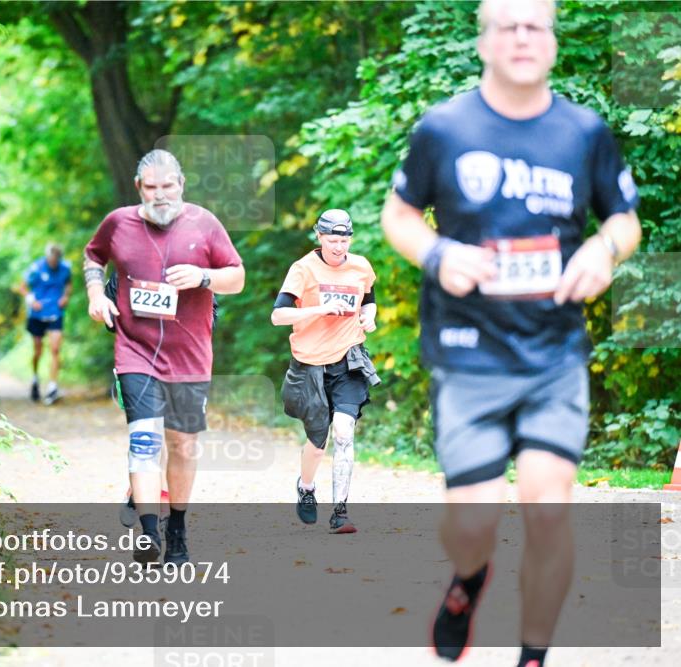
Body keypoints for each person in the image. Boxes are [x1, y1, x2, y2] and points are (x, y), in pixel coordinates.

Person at [380, 1, 642, 664]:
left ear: (553, 41)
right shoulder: (445, 128)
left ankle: (533, 654)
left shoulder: (584, 132)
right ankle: (468, 579)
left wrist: (603, 250)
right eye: (508, 26)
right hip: (468, 353)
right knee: (471, 527)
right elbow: (399, 216)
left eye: (536, 26)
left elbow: (624, 219)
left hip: (553, 352)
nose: (523, 38)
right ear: (484, 41)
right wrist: (438, 253)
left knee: (548, 510)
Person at [83, 148, 245, 565]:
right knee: (145, 438)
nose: (160, 195)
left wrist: (204, 276)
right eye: (152, 187)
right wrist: (96, 294)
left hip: (189, 354)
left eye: (168, 186)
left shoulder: (204, 223)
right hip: (134, 349)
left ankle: (178, 531)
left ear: (181, 185)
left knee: (183, 445)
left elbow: (237, 277)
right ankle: (149, 533)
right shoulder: (118, 223)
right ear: (139, 187)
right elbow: (93, 256)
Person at [272, 209, 380, 534]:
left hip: (349, 360)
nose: (338, 246)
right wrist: (319, 309)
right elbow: (278, 316)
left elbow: (369, 299)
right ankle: (306, 487)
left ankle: (340, 513)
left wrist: (369, 316)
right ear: (319, 237)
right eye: (332, 240)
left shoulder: (361, 266)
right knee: (318, 442)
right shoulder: (303, 269)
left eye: (344, 240)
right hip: (310, 364)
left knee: (344, 432)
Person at [20, 243, 72, 405]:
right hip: (37, 314)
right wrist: (31, 301)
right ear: (47, 258)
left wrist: (65, 296)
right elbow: (23, 287)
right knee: (38, 350)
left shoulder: (65, 268)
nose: (53, 263)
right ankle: (35, 378)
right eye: (51, 260)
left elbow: (68, 284)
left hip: (56, 312)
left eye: (56, 260)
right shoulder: (36, 268)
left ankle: (52, 386)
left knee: (55, 349)